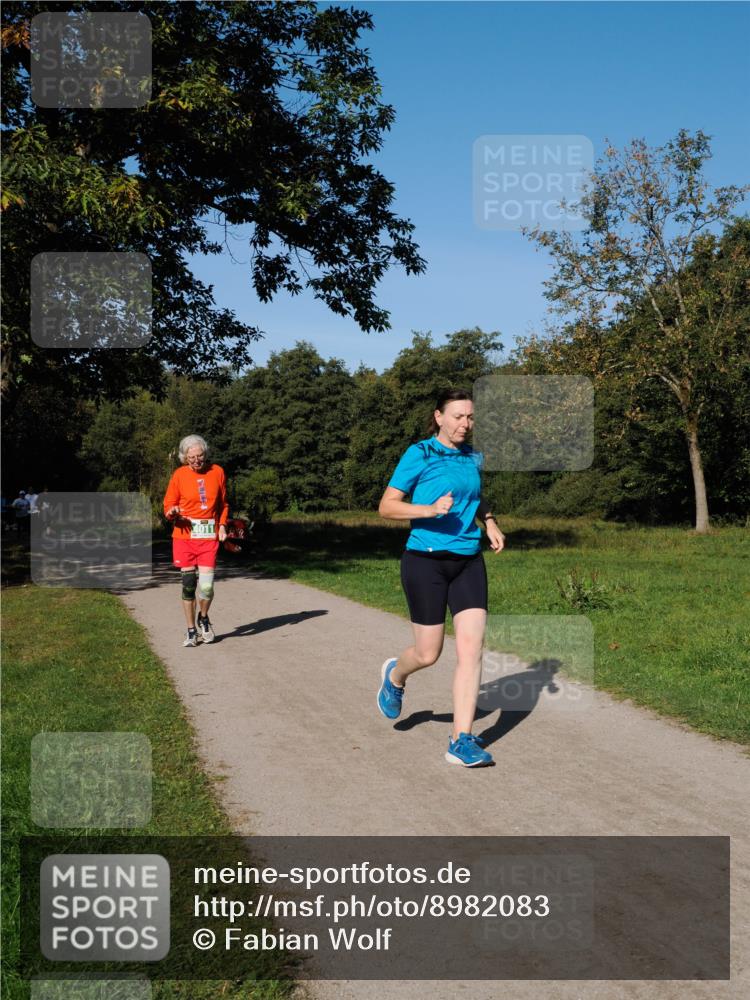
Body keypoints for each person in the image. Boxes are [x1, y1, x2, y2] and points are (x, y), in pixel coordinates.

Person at [376, 389, 505, 767]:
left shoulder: (472, 456)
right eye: (458, 417)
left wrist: (491, 522)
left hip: (468, 561)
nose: (466, 424)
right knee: (428, 653)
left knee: (471, 649)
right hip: (425, 561)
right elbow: (387, 507)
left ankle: (460, 740)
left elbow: (476, 495)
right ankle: (396, 676)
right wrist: (429, 509)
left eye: (470, 417)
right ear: (439, 417)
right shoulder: (420, 453)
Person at [163, 435, 229, 647]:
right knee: (189, 585)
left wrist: (222, 525)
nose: (197, 460)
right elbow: (168, 505)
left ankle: (203, 617)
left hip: (208, 537)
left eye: (200, 456)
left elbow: (223, 504)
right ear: (185, 458)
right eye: (192, 457)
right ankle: (191, 630)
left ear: (205, 454)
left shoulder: (217, 472)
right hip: (184, 538)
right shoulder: (179, 475)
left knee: (207, 587)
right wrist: (172, 512)